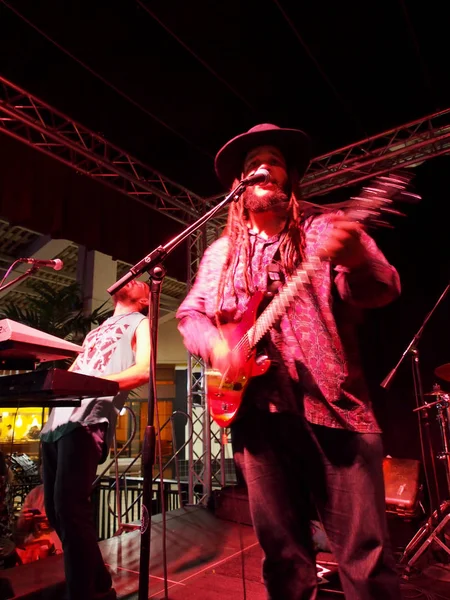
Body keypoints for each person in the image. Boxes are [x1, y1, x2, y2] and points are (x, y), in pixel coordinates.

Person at [176, 123, 402, 599]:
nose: (263, 167)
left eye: (273, 160)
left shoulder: (326, 229)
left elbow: (381, 287)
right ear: (239, 187)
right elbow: (190, 314)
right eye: (252, 163)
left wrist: (358, 259)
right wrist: (219, 348)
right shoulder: (221, 254)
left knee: (366, 560)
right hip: (258, 418)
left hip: (335, 411)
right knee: (282, 560)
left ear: (289, 177)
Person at [40, 280, 151, 600]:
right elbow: (72, 374)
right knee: (56, 511)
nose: (130, 277)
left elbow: (144, 370)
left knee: (69, 509)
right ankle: (100, 581)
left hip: (88, 419)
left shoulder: (140, 322)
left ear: (145, 299)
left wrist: (90, 383)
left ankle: (82, 594)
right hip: (56, 422)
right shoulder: (96, 330)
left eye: (139, 279)